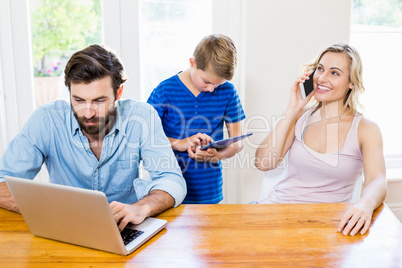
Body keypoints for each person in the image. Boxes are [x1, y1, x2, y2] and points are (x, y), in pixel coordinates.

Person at [0, 44, 186, 231]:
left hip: (124, 228)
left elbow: (171, 179)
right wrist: (58, 212)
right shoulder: (46, 119)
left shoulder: (142, 117)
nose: (87, 113)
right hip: (65, 228)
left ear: (118, 93)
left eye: (99, 101)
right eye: (78, 100)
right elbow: (2, 183)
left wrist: (141, 208)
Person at [254, 43, 387, 236]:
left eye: (334, 73)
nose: (322, 78)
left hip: (327, 225)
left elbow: (378, 180)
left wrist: (365, 205)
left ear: (352, 82)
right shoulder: (300, 117)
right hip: (277, 213)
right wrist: (291, 110)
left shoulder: (366, 129)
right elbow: (263, 163)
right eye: (320, 69)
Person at [147, 34, 246, 204]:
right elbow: (146, 139)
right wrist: (181, 142)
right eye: (207, 81)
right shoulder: (164, 90)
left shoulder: (228, 92)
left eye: (218, 84)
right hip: (167, 190)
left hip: (209, 191)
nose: (211, 89)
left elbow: (237, 142)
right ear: (192, 63)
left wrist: (215, 156)